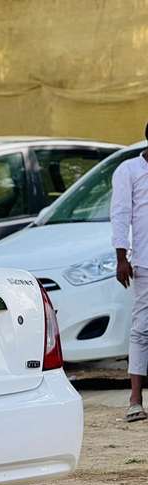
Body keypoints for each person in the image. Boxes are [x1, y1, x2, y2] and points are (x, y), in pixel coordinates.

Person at [111, 123, 148, 421]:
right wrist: (121, 257)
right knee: (141, 329)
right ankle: (135, 399)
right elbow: (121, 214)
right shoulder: (129, 170)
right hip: (145, 263)